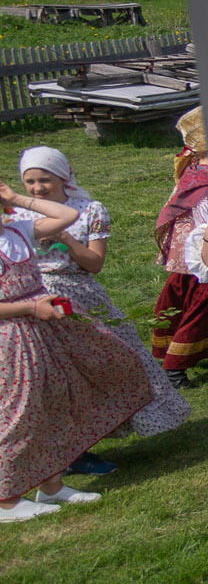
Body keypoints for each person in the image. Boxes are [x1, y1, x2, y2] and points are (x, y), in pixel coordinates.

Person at [13, 148, 189, 456]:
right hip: (36, 299)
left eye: (45, 179)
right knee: (63, 373)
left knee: (115, 358)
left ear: (63, 177)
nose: (38, 188)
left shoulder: (89, 209)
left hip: (79, 293)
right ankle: (76, 449)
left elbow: (94, 264)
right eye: (30, 181)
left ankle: (132, 420)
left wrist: (66, 239)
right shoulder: (18, 216)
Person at [0, 178, 155, 522]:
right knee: (18, 410)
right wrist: (28, 308)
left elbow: (67, 214)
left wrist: (16, 197)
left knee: (57, 397)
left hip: (46, 324)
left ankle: (51, 484)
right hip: (10, 335)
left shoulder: (17, 231)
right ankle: (6, 498)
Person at [152, 108, 208, 386]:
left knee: (187, 302)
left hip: (186, 256)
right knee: (204, 307)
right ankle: (175, 366)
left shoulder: (194, 170)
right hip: (205, 257)